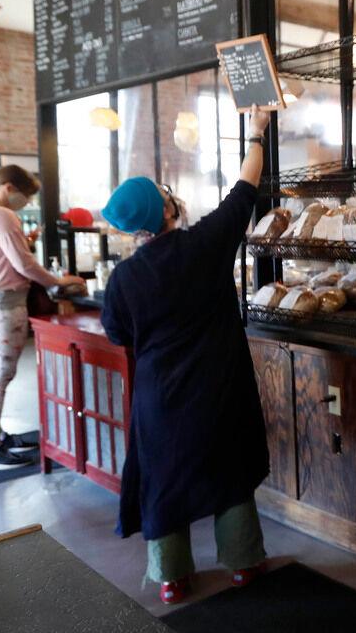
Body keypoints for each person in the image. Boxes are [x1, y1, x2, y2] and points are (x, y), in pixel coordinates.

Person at [99, 106, 274, 605]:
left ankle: (172, 579)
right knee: (230, 468)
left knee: (163, 480)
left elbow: (117, 334)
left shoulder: (125, 279)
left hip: (161, 394)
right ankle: (243, 564)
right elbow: (245, 190)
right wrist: (257, 132)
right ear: (168, 210)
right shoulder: (205, 245)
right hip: (218, 384)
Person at [0, 164, 82, 468]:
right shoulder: (1, 214)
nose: (26, 204)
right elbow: (23, 264)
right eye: (25, 197)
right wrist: (58, 282)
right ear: (9, 188)